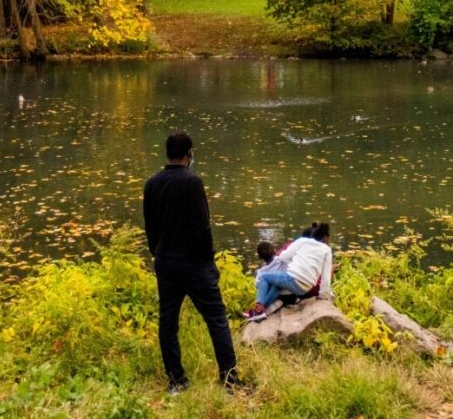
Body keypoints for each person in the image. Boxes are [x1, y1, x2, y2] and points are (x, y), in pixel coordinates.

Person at [143, 131, 248, 395]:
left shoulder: (151, 183)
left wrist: (157, 255)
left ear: (167, 153)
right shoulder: (192, 182)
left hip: (166, 263)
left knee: (168, 323)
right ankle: (228, 378)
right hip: (194, 263)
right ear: (189, 153)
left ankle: (177, 381)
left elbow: (150, 228)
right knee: (216, 318)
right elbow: (203, 228)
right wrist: (209, 264)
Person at [243, 222, 333, 321]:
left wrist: (294, 260)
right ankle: (261, 311)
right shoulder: (327, 250)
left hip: (292, 279)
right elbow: (326, 276)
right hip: (305, 287)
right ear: (325, 238)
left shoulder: (302, 241)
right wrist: (323, 295)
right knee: (277, 285)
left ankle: (258, 308)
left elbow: (282, 257)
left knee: (264, 277)